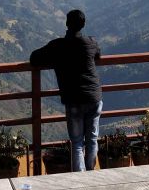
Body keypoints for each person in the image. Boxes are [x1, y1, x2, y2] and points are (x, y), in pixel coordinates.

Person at [29, 9, 102, 171]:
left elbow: (34, 58)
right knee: (92, 139)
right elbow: (98, 54)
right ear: (83, 25)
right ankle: (91, 174)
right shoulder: (90, 42)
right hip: (94, 97)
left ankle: (80, 178)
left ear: (67, 24)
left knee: (77, 143)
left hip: (74, 99)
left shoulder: (57, 46)